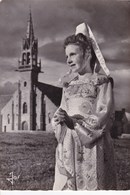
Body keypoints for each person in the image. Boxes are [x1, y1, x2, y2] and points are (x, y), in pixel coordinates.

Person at [51, 23, 117, 190]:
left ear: (87, 53)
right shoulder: (68, 86)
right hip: (68, 147)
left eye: (73, 54)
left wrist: (75, 122)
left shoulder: (101, 82)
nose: (68, 60)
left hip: (93, 147)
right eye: (66, 56)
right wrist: (58, 120)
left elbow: (105, 116)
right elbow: (61, 111)